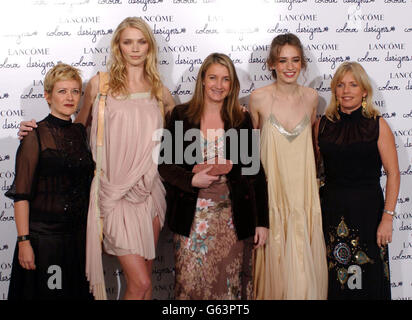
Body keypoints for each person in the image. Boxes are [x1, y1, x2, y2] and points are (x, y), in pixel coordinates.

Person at [18, 17, 175, 300]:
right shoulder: (99, 85)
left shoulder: (160, 91)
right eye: (128, 42)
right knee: (139, 284)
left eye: (141, 42)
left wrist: (231, 110)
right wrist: (36, 131)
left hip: (150, 194)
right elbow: (74, 131)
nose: (135, 49)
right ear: (118, 46)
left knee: (145, 284)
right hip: (113, 195)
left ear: (150, 47)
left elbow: (187, 128)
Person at [158, 53, 269, 300]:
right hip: (191, 218)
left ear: (232, 85)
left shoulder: (240, 119)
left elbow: (255, 172)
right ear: (202, 80)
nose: (219, 85)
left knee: (227, 287)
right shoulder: (181, 115)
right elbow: (165, 165)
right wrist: (191, 180)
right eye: (213, 78)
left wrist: (262, 221)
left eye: (226, 79)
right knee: (189, 286)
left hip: (233, 217)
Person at [5, 63, 94, 300]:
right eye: (62, 91)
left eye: (75, 91)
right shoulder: (34, 135)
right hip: (44, 243)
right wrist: (24, 241)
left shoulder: (80, 133)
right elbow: (21, 195)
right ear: (47, 95)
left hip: (77, 241)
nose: (69, 97)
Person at [249, 33, 328, 300]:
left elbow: (315, 149)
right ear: (272, 64)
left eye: (295, 60)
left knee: (305, 277)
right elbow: (249, 155)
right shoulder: (257, 99)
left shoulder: (312, 98)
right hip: (272, 196)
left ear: (303, 63)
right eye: (282, 61)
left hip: (304, 197)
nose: (290, 66)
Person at [314, 61, 399, 300]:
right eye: (340, 85)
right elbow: (313, 170)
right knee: (337, 284)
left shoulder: (378, 125)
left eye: (353, 84)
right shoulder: (322, 126)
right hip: (331, 213)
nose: (346, 90)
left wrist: (387, 218)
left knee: (369, 281)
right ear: (334, 90)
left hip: (369, 215)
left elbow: (393, 173)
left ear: (364, 91)